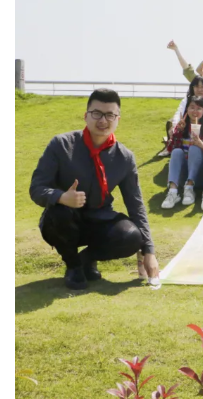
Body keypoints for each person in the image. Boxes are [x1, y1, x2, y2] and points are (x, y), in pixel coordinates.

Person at [29, 89, 159, 290]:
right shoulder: (61, 145)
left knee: (132, 236)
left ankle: (86, 259)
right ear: (86, 116)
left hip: (100, 220)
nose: (103, 120)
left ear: (117, 119)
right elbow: (36, 188)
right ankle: (73, 266)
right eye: (97, 113)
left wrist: (149, 251)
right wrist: (61, 197)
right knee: (59, 213)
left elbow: (136, 205)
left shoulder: (125, 157)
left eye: (110, 115)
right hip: (63, 220)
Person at [162, 96, 203, 209]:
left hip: (200, 175)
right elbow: (171, 150)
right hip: (182, 176)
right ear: (187, 109)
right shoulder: (181, 127)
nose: (195, 111)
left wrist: (202, 145)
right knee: (177, 151)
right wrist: (178, 132)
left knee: (194, 149)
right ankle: (173, 191)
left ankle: (190, 189)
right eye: (192, 107)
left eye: (199, 108)